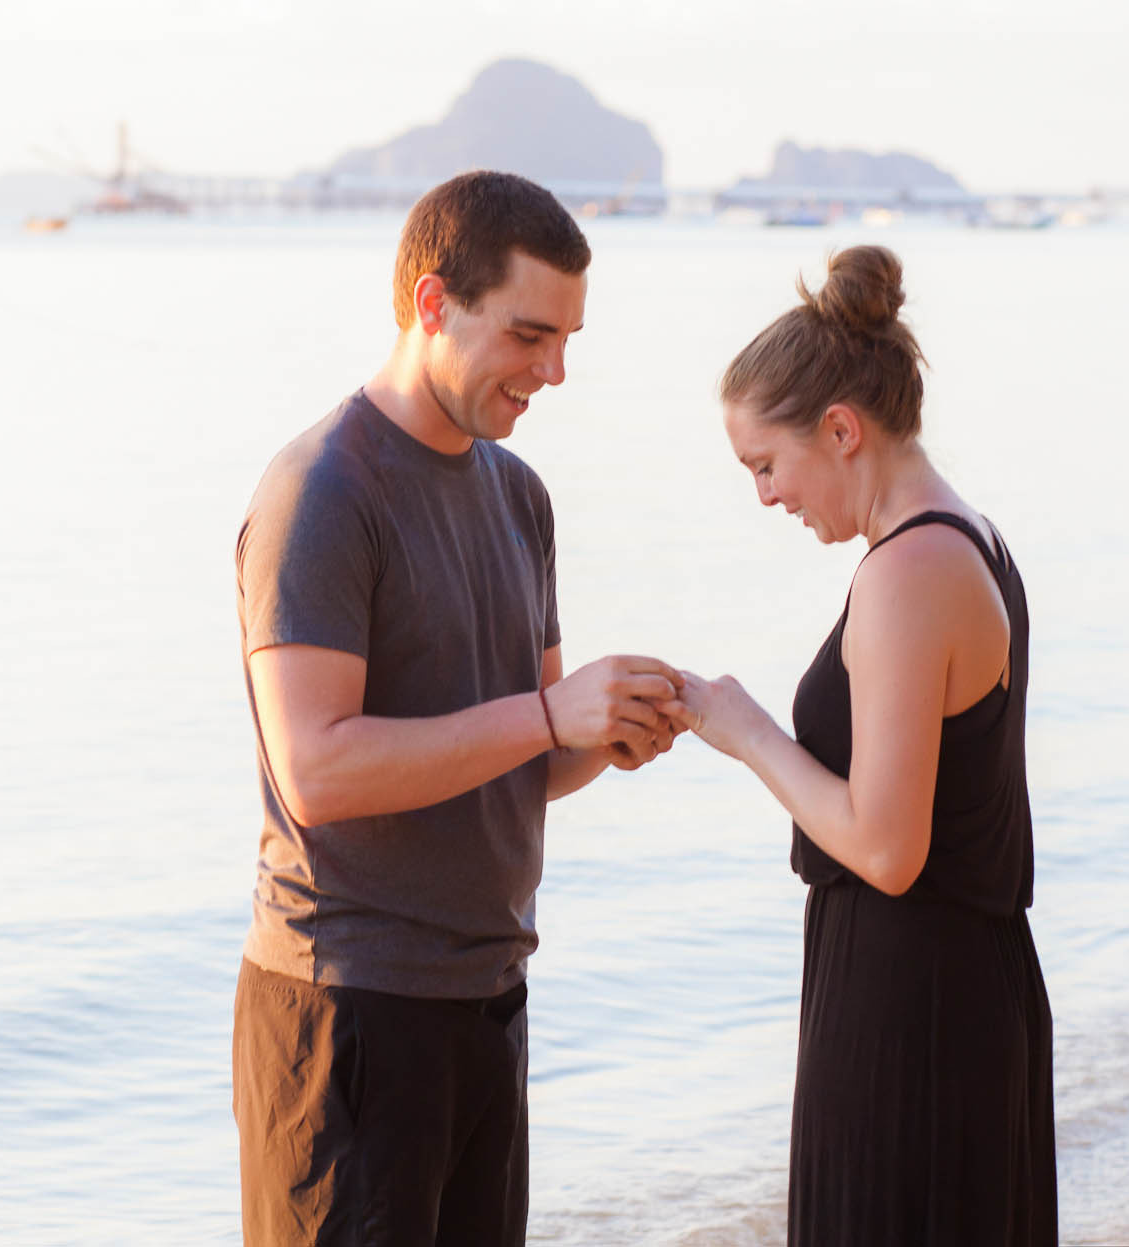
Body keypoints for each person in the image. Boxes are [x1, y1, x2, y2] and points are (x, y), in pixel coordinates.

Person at [231, 170, 683, 1246]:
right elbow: (316, 769)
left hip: (489, 1001)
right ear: (433, 304)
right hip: (344, 1017)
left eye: (566, 339)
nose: (554, 371)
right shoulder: (322, 491)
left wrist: (608, 731)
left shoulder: (519, 495)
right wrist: (551, 715)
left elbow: (530, 754)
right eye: (529, 335)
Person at [659, 245, 1058, 1244]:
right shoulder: (967, 537)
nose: (765, 495)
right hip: (954, 990)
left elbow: (887, 848)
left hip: (913, 1013)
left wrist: (746, 731)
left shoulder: (908, 571)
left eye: (765, 465)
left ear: (841, 429)